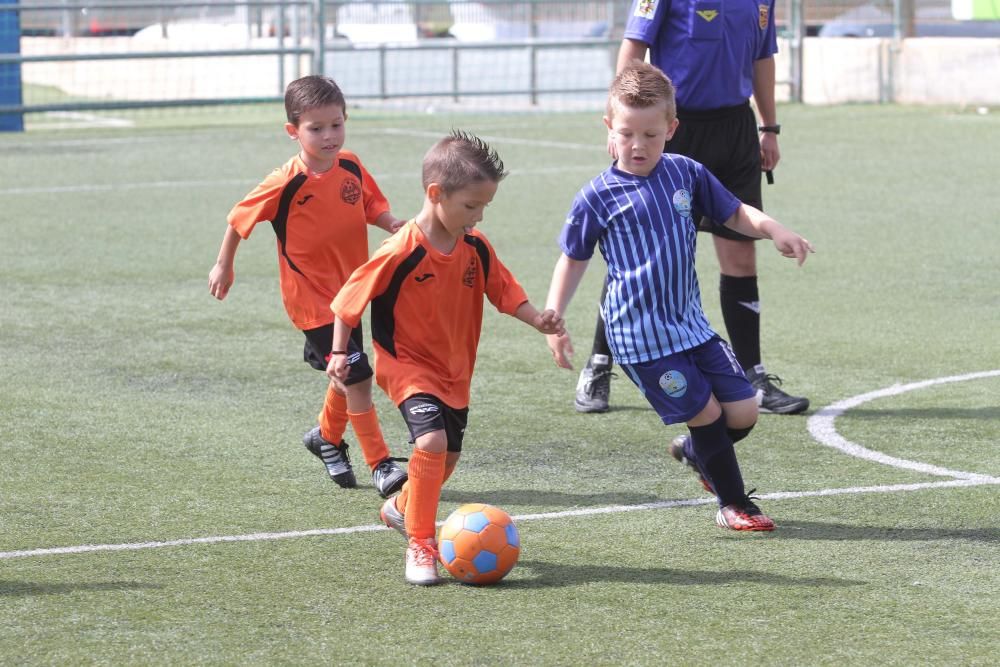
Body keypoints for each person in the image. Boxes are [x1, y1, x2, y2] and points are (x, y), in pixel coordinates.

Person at [546, 62, 813, 530]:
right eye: (627, 133)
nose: (638, 145)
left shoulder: (686, 174)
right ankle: (734, 505)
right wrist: (554, 316)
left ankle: (697, 454)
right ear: (609, 128)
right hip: (640, 339)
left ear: (671, 128)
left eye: (651, 134)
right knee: (708, 416)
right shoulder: (597, 196)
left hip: (690, 325)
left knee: (744, 412)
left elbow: (734, 213)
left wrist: (774, 230)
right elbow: (573, 258)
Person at [328, 130, 564, 585]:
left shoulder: (475, 246)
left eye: (483, 208)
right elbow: (347, 299)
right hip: (406, 366)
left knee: (446, 458)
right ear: (435, 194)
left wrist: (538, 320)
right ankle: (421, 544)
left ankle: (400, 508)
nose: (477, 217)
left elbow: (505, 292)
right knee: (431, 444)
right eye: (470, 206)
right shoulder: (402, 248)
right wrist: (340, 351)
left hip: (455, 373)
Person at [573, 0, 809, 416]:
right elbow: (633, 48)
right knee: (640, 255)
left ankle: (752, 375)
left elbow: (762, 58)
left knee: (740, 250)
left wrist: (768, 127)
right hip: (670, 131)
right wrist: (621, 124)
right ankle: (599, 364)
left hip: (734, 129)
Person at [208, 74, 407, 498]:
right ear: (293, 131)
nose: (329, 135)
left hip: (353, 293)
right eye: (316, 128)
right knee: (358, 377)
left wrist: (389, 222)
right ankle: (381, 463)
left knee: (343, 371)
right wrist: (224, 265)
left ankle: (325, 437)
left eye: (336, 124)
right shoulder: (285, 181)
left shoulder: (351, 164)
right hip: (313, 301)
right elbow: (238, 219)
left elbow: (370, 203)